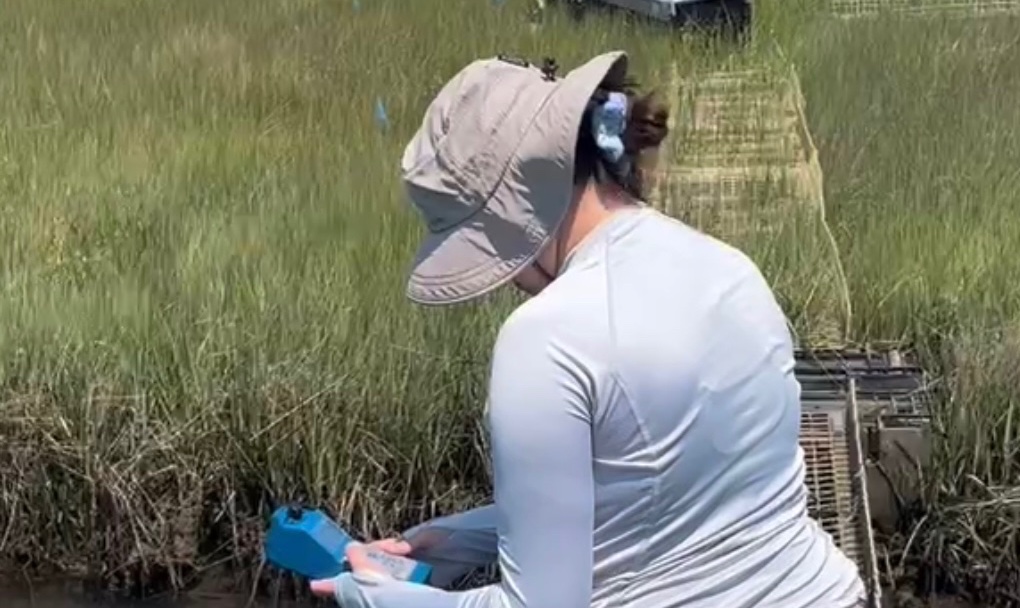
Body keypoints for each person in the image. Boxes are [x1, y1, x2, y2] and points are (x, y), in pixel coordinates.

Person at [311, 50, 867, 607]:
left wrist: (368, 595)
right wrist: (459, 538)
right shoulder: (730, 268)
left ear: (510, 210)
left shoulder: (547, 339)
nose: (506, 281)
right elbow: (663, 491)